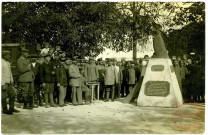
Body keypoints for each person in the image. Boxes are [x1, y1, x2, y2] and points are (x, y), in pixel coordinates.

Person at [2, 50, 20, 114]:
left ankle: (11, 108)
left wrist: (11, 80)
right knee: (4, 96)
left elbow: (10, 73)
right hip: (4, 82)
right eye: (8, 55)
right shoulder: (1, 62)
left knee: (12, 94)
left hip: (9, 82)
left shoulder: (8, 63)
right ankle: (4, 109)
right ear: (4, 55)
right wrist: (2, 83)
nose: (9, 56)